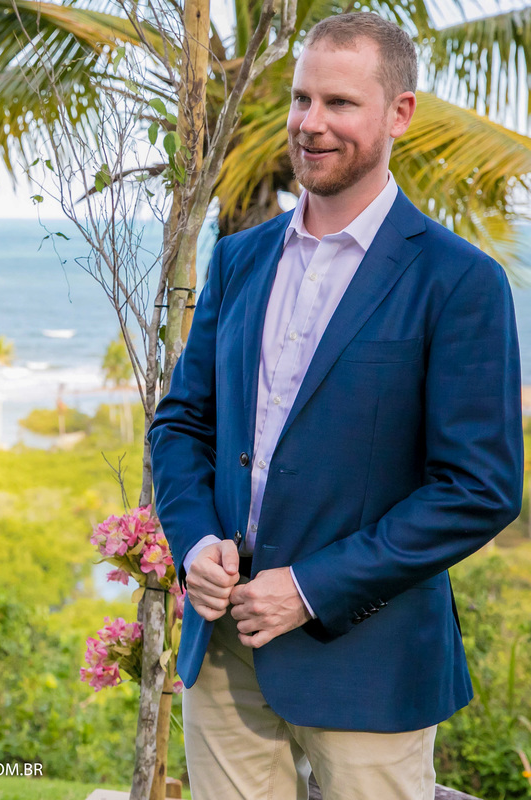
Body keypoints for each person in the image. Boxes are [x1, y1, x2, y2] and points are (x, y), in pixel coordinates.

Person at [146, 12, 523, 800]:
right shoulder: (240, 258)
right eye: (301, 99)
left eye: (341, 104)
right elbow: (183, 423)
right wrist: (194, 543)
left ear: (399, 113)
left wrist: (310, 587)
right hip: (223, 652)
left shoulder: (459, 281)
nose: (312, 125)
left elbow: (478, 489)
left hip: (368, 664)